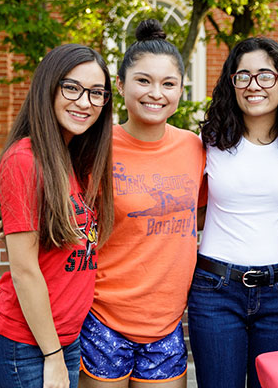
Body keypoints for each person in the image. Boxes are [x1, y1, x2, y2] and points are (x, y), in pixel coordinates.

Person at [0, 43, 115, 388]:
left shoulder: (75, 159)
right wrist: (52, 355)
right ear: (47, 88)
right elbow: (24, 271)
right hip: (25, 343)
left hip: (64, 338)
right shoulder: (24, 160)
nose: (85, 102)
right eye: (72, 88)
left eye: (96, 93)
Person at [77, 20, 205, 388]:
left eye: (168, 84)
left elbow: (200, 211)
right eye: (143, 80)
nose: (156, 93)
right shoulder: (92, 148)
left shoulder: (195, 148)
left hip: (166, 325)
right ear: (119, 85)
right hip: (104, 318)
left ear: (181, 89)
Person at [189, 36, 278, 388]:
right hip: (216, 289)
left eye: (265, 75)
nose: (253, 85)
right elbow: (191, 208)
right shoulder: (209, 141)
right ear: (232, 83)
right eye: (242, 76)